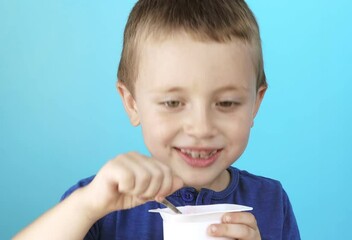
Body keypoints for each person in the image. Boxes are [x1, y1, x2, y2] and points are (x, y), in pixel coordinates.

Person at [14, 0, 300, 239]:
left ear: (255, 104)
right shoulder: (99, 205)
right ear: (132, 103)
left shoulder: (272, 202)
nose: (201, 128)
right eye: (173, 102)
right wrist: (86, 207)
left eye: (226, 103)